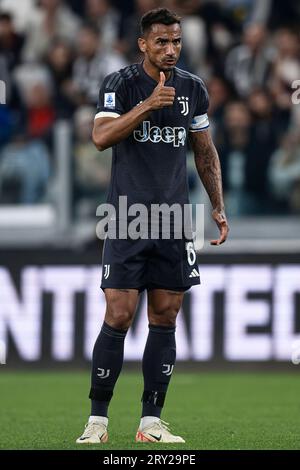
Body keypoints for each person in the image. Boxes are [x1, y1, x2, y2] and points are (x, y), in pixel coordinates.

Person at [76, 7, 229, 445]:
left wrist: (217, 205)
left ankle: (150, 423)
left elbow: (205, 151)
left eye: (176, 41)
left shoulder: (193, 89)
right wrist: (147, 106)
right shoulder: (120, 85)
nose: (170, 49)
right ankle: (98, 421)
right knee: (119, 314)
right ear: (142, 43)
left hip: (175, 219)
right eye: (161, 42)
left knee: (166, 316)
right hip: (126, 216)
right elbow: (101, 138)